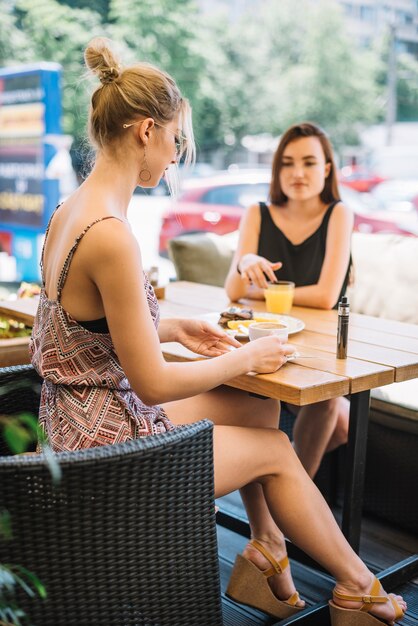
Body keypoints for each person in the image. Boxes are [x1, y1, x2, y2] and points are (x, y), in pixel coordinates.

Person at [29, 37, 405, 625]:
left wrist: (177, 326)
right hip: (103, 451)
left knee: (253, 411)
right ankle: (359, 586)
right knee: (276, 449)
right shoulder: (111, 233)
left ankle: (267, 548)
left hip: (79, 420)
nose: (175, 156)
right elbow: (151, 384)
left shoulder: (71, 210)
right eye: (176, 140)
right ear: (146, 130)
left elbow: (84, 335)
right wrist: (247, 357)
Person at [225, 122, 352, 479]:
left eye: (309, 163)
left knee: (336, 416)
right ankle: (287, 501)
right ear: (276, 169)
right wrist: (246, 263)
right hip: (265, 341)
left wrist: (261, 289)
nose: (297, 173)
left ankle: (280, 498)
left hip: (320, 348)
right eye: (288, 162)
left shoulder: (338, 213)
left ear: (327, 169)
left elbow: (327, 296)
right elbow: (233, 292)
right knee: (337, 422)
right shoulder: (258, 213)